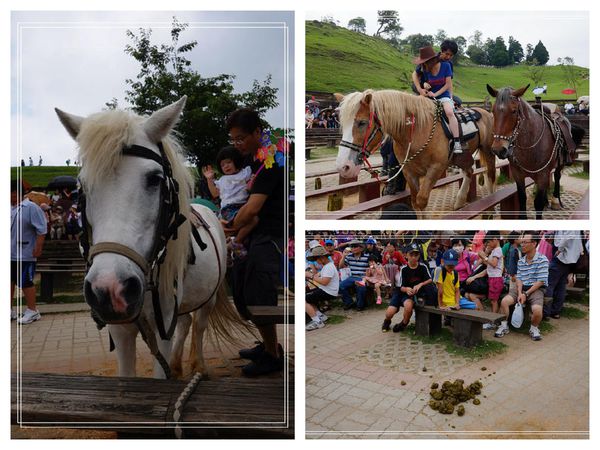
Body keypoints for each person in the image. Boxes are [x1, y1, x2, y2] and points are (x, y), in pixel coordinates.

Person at [224, 108, 285, 376]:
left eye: (240, 138)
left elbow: (252, 208)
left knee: (260, 293)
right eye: (233, 139)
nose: (237, 145)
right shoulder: (255, 159)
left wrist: (227, 227)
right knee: (243, 287)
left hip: (269, 234)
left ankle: (273, 355)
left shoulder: (272, 161)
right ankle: (268, 344)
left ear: (257, 133)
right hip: (254, 234)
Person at [202, 146, 255, 259]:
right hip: (229, 208)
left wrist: (252, 183)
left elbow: (250, 188)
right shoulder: (223, 180)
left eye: (228, 162)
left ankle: (230, 247)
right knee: (253, 220)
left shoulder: (246, 172)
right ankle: (236, 243)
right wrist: (209, 179)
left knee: (252, 221)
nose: (226, 166)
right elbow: (215, 194)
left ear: (236, 161)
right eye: (222, 165)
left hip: (243, 206)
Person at [495, 232, 549, 341]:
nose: (522, 245)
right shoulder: (521, 261)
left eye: (525, 242)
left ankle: (534, 328)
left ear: (534, 244)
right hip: (521, 288)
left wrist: (526, 294)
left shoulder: (543, 260)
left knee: (537, 310)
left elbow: (541, 281)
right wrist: (520, 293)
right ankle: (504, 325)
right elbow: (519, 278)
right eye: (522, 242)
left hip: (536, 289)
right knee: (504, 302)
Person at [412, 46, 463, 155]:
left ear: (431, 60)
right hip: (429, 96)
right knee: (414, 108)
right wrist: (422, 87)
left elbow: (448, 84)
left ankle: (457, 141)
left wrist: (439, 95)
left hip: (443, 95)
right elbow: (418, 77)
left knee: (449, 112)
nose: (423, 65)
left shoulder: (446, 66)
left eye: (425, 62)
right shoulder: (425, 69)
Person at [11, 180, 47, 323]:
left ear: (16, 193)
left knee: (25, 281)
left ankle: (32, 310)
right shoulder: (8, 208)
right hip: (9, 252)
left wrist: (38, 247)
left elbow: (41, 228)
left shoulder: (31, 207)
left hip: (25, 252)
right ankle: (9, 310)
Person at [382, 243, 436, 332]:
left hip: (411, 295)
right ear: (406, 255)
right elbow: (401, 287)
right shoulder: (404, 269)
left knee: (408, 306)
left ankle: (404, 323)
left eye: (416, 255)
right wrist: (407, 289)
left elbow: (430, 279)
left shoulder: (423, 267)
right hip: (400, 292)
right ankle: (387, 321)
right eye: (411, 255)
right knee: (389, 313)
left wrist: (420, 284)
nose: (414, 257)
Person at [543, 231, 584, 320]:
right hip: (569, 259)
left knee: (550, 285)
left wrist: (559, 249)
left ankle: (546, 313)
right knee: (561, 286)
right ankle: (555, 312)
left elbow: (567, 237)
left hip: (561, 256)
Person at [305, 246, 339, 331]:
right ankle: (321, 316)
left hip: (328, 292)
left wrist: (311, 275)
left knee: (303, 300)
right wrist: (314, 275)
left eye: (316, 259)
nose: (316, 261)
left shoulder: (329, 267)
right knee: (309, 297)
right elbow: (322, 277)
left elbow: (324, 282)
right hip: (327, 290)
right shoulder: (327, 266)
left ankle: (317, 322)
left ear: (322, 258)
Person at [339, 240, 370, 311]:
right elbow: (340, 266)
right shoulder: (349, 256)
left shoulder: (367, 257)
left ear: (361, 248)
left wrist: (366, 278)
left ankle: (360, 305)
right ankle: (349, 302)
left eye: (355, 246)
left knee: (361, 287)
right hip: (352, 277)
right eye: (352, 247)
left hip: (362, 278)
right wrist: (343, 256)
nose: (353, 248)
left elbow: (371, 268)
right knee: (340, 286)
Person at [434, 249, 461, 317]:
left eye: (453, 264)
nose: (451, 266)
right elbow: (439, 291)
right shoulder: (438, 270)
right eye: (449, 264)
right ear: (442, 261)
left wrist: (457, 303)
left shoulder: (456, 273)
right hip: (443, 301)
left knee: (473, 306)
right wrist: (441, 305)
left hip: (454, 300)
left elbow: (457, 290)